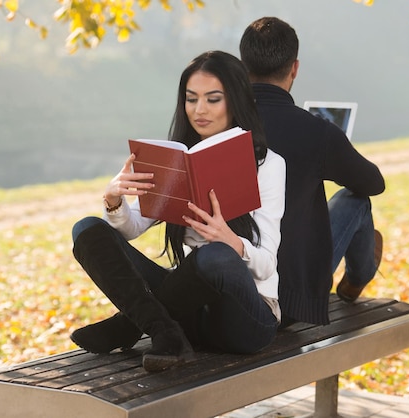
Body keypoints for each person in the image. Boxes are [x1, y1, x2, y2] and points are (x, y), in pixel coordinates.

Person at [69, 50, 286, 372]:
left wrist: (231, 240)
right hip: (189, 314)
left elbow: (266, 266)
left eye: (213, 99)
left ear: (236, 100)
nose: (199, 110)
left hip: (246, 320)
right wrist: (114, 200)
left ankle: (129, 325)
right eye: (191, 98)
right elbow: (131, 229)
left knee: (215, 256)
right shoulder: (177, 161)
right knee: (87, 229)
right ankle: (163, 331)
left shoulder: (268, 165)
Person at [239, 17, 385, 326]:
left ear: (241, 68)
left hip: (232, 287)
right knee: (356, 201)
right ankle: (359, 277)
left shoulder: (219, 124)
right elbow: (373, 183)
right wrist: (336, 150)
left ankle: (357, 278)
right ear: (294, 68)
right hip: (292, 299)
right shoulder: (317, 132)